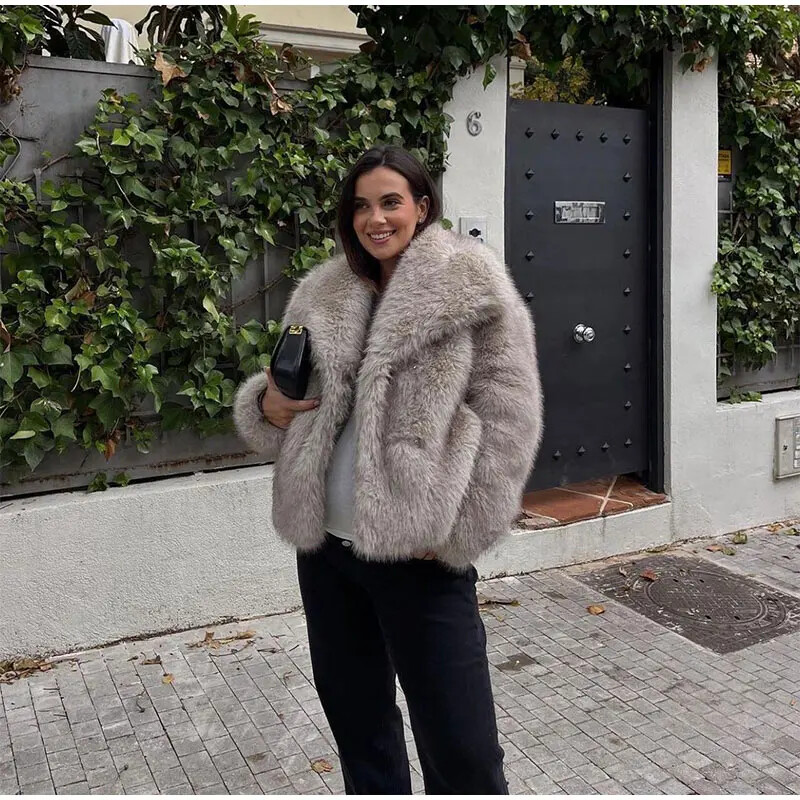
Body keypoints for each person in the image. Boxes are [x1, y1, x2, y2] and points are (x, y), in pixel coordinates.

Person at [233, 145, 543, 794]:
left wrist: (457, 535)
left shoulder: (471, 284)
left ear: (422, 207)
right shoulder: (324, 290)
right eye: (361, 206)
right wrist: (264, 405)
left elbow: (510, 421)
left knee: (462, 750)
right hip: (327, 555)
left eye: (391, 202)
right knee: (361, 732)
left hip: (419, 559)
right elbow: (291, 393)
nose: (375, 219)